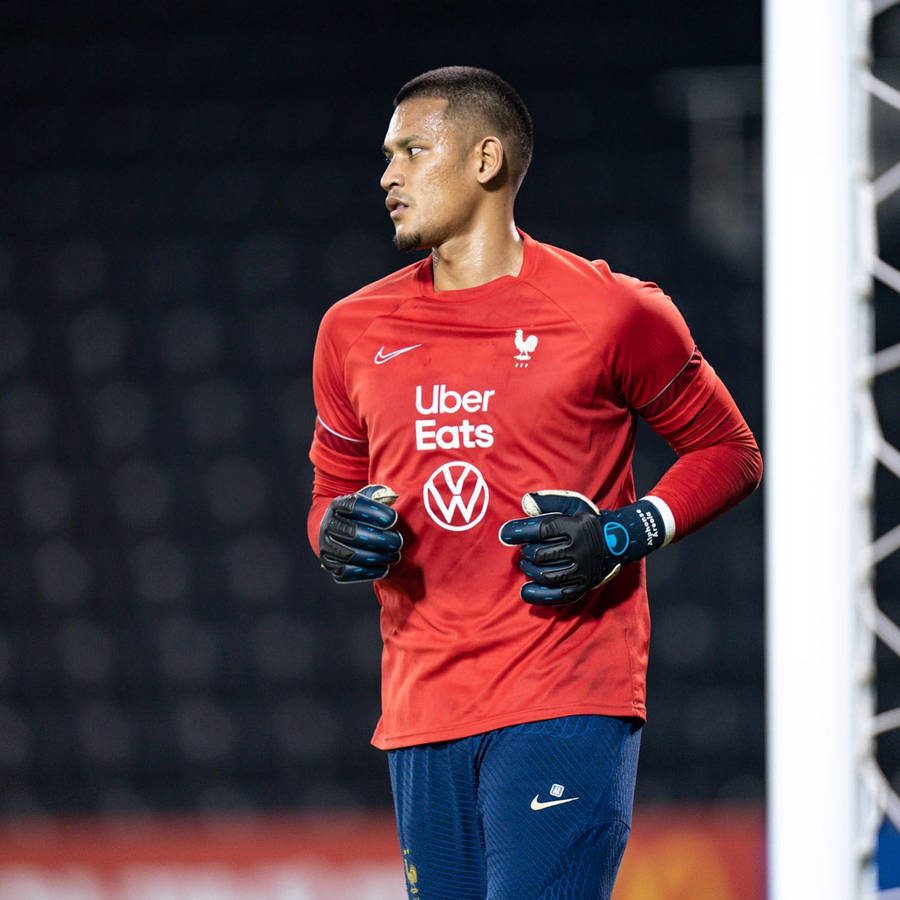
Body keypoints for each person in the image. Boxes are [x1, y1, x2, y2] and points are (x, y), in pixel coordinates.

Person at [307, 66, 762, 899]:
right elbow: (331, 495)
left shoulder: (614, 313)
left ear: (486, 160)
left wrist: (624, 533)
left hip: (564, 692)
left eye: (411, 149)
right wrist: (337, 536)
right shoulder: (351, 331)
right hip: (421, 708)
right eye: (386, 156)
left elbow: (730, 451)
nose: (387, 175)